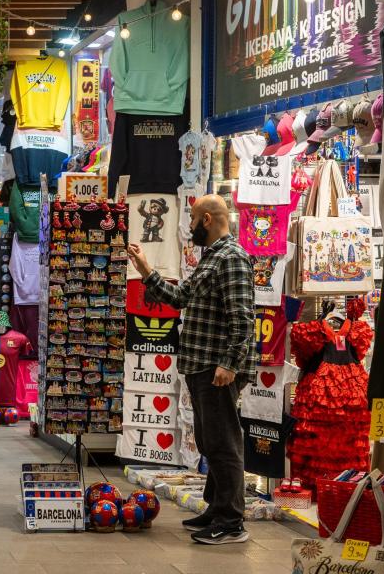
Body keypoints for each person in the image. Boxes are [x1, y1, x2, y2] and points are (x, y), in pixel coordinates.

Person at [127, 194, 255, 545]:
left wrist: (229, 363)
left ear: (208, 219)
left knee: (224, 443)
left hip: (217, 367)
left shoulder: (231, 258)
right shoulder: (212, 258)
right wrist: (146, 271)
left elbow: (243, 319)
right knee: (210, 441)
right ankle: (217, 507)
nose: (190, 226)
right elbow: (181, 297)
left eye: (194, 219)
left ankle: (231, 521)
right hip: (201, 365)